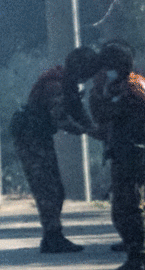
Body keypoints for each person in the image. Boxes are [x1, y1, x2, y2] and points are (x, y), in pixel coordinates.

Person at [11, 45, 99, 253]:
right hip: (31, 139)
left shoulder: (67, 82)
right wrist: (87, 131)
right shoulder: (55, 85)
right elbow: (61, 118)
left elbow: (78, 111)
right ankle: (53, 237)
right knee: (47, 189)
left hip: (40, 138)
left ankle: (52, 236)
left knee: (55, 190)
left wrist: (92, 127)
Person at [91, 41, 145, 270]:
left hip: (130, 154)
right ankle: (142, 258)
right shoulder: (134, 84)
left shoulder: (128, 88)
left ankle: (137, 259)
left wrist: (96, 91)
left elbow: (102, 114)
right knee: (138, 206)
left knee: (127, 209)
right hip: (132, 153)